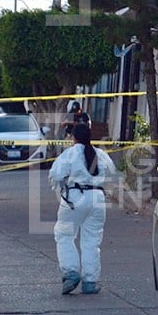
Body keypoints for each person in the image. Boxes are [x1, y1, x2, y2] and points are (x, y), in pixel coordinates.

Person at [48, 123, 116, 294]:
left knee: (64, 235)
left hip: (74, 197)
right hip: (98, 199)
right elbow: (113, 173)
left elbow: (55, 175)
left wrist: (63, 184)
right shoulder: (100, 154)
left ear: (73, 137)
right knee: (92, 241)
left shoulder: (69, 154)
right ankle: (90, 282)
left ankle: (71, 273)